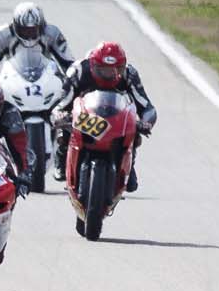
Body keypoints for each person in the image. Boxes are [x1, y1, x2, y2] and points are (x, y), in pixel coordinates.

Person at [52, 42, 157, 192]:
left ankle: (128, 163)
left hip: (115, 119)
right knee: (64, 126)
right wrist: (60, 115)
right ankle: (62, 154)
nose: (111, 74)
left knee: (135, 130)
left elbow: (147, 106)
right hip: (85, 116)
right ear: (93, 65)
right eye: (104, 70)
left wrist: (146, 123)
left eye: (116, 70)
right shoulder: (79, 71)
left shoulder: (129, 74)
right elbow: (61, 102)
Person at [0, 2, 72, 79]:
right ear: (16, 26)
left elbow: (69, 62)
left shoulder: (52, 33)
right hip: (12, 83)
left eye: (33, 30)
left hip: (48, 81)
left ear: (41, 27)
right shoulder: (3, 34)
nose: (29, 34)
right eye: (24, 30)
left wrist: (71, 81)